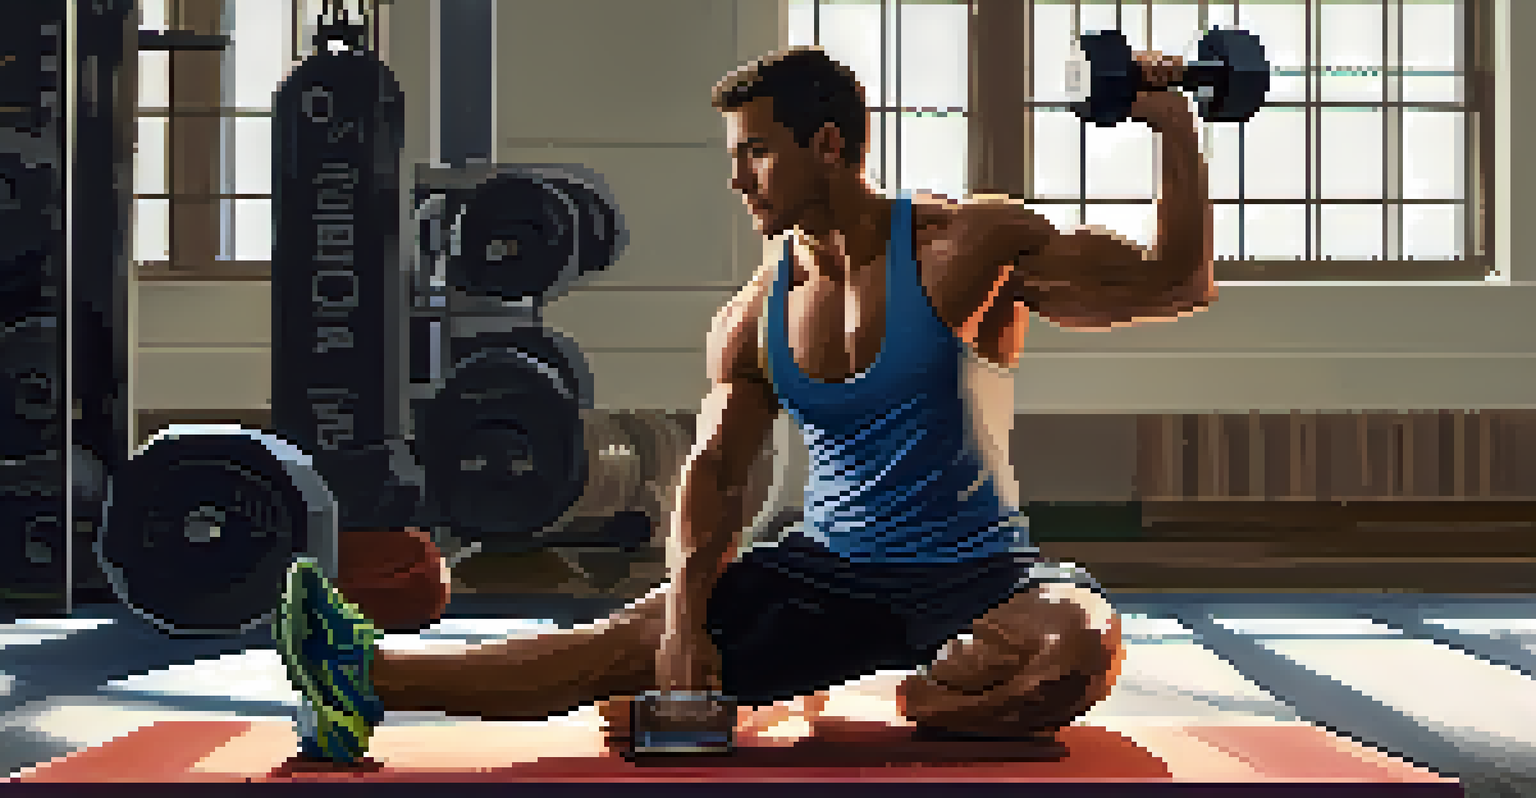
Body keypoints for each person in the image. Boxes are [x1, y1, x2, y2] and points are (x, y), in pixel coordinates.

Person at [274, 45, 1214, 765]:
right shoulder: (752, 316)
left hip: (979, 571)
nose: (738, 179)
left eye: (757, 153)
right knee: (619, 655)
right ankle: (361, 670)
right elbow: (716, 472)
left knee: (1077, 649)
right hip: (825, 575)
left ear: (830, 146)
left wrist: (1172, 122)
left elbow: (1176, 281)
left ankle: (919, 698)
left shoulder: (963, 246)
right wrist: (684, 625)